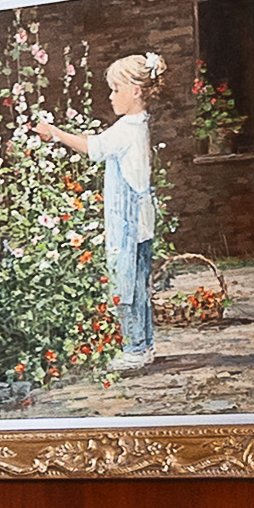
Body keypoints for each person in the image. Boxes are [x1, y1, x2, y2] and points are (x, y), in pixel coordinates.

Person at [81, 50, 170, 355]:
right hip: (142, 217)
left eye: (116, 90)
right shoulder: (140, 124)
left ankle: (134, 348)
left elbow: (94, 147)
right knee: (139, 282)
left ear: (135, 92)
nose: (110, 97)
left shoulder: (125, 130)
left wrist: (55, 133)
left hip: (127, 221)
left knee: (126, 283)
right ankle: (144, 345)